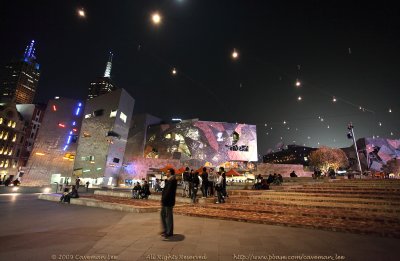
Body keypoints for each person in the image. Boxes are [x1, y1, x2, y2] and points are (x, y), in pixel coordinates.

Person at [160, 168, 177, 241]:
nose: (166, 173)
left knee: (168, 216)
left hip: (168, 201)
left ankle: (169, 232)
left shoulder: (172, 180)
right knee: (163, 215)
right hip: (165, 201)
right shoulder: (169, 180)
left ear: (170, 173)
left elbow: (169, 192)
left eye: (167, 172)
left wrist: (164, 199)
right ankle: (166, 230)